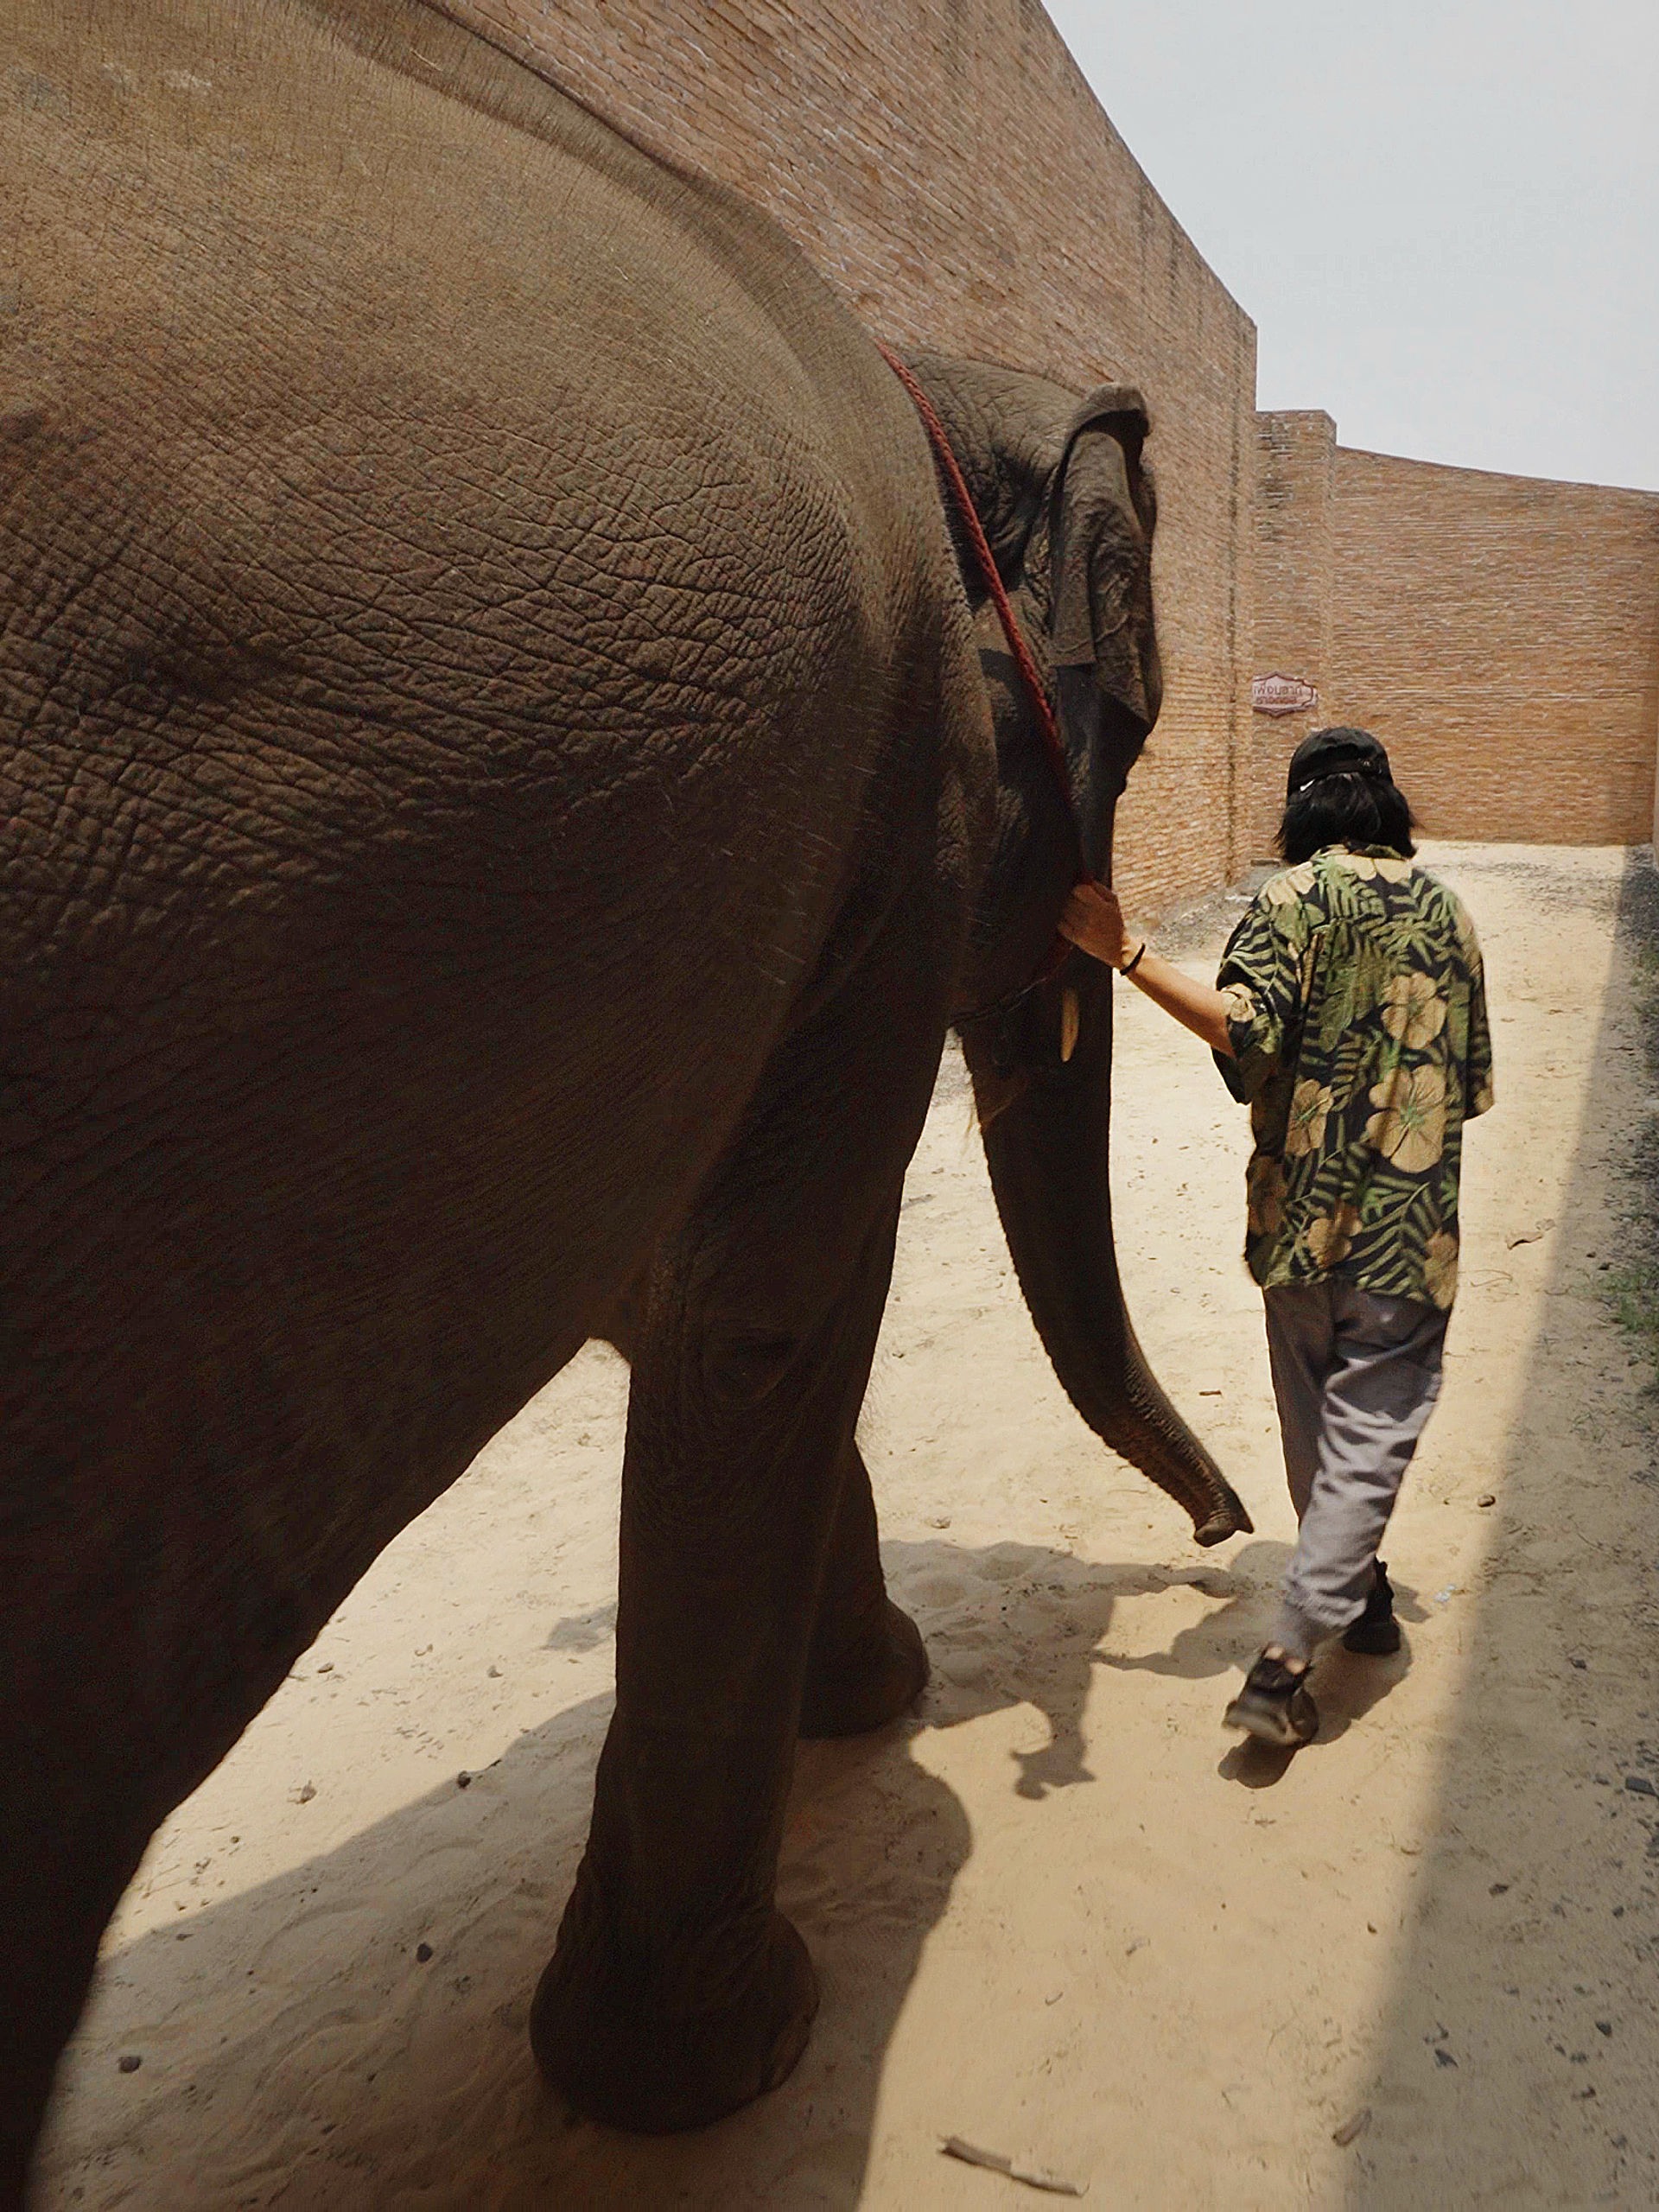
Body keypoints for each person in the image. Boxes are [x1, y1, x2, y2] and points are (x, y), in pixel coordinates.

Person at [1059, 727, 1493, 1748]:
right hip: (1407, 1237)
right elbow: (1467, 1092)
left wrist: (1126, 952)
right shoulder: (1449, 913)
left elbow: (1242, 1030)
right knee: (1371, 1437)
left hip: (1298, 1225)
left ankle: (1355, 1597)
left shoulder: (1289, 901)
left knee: (1317, 1432)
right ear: (1388, 806)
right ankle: (1295, 1649)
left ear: (1301, 811)